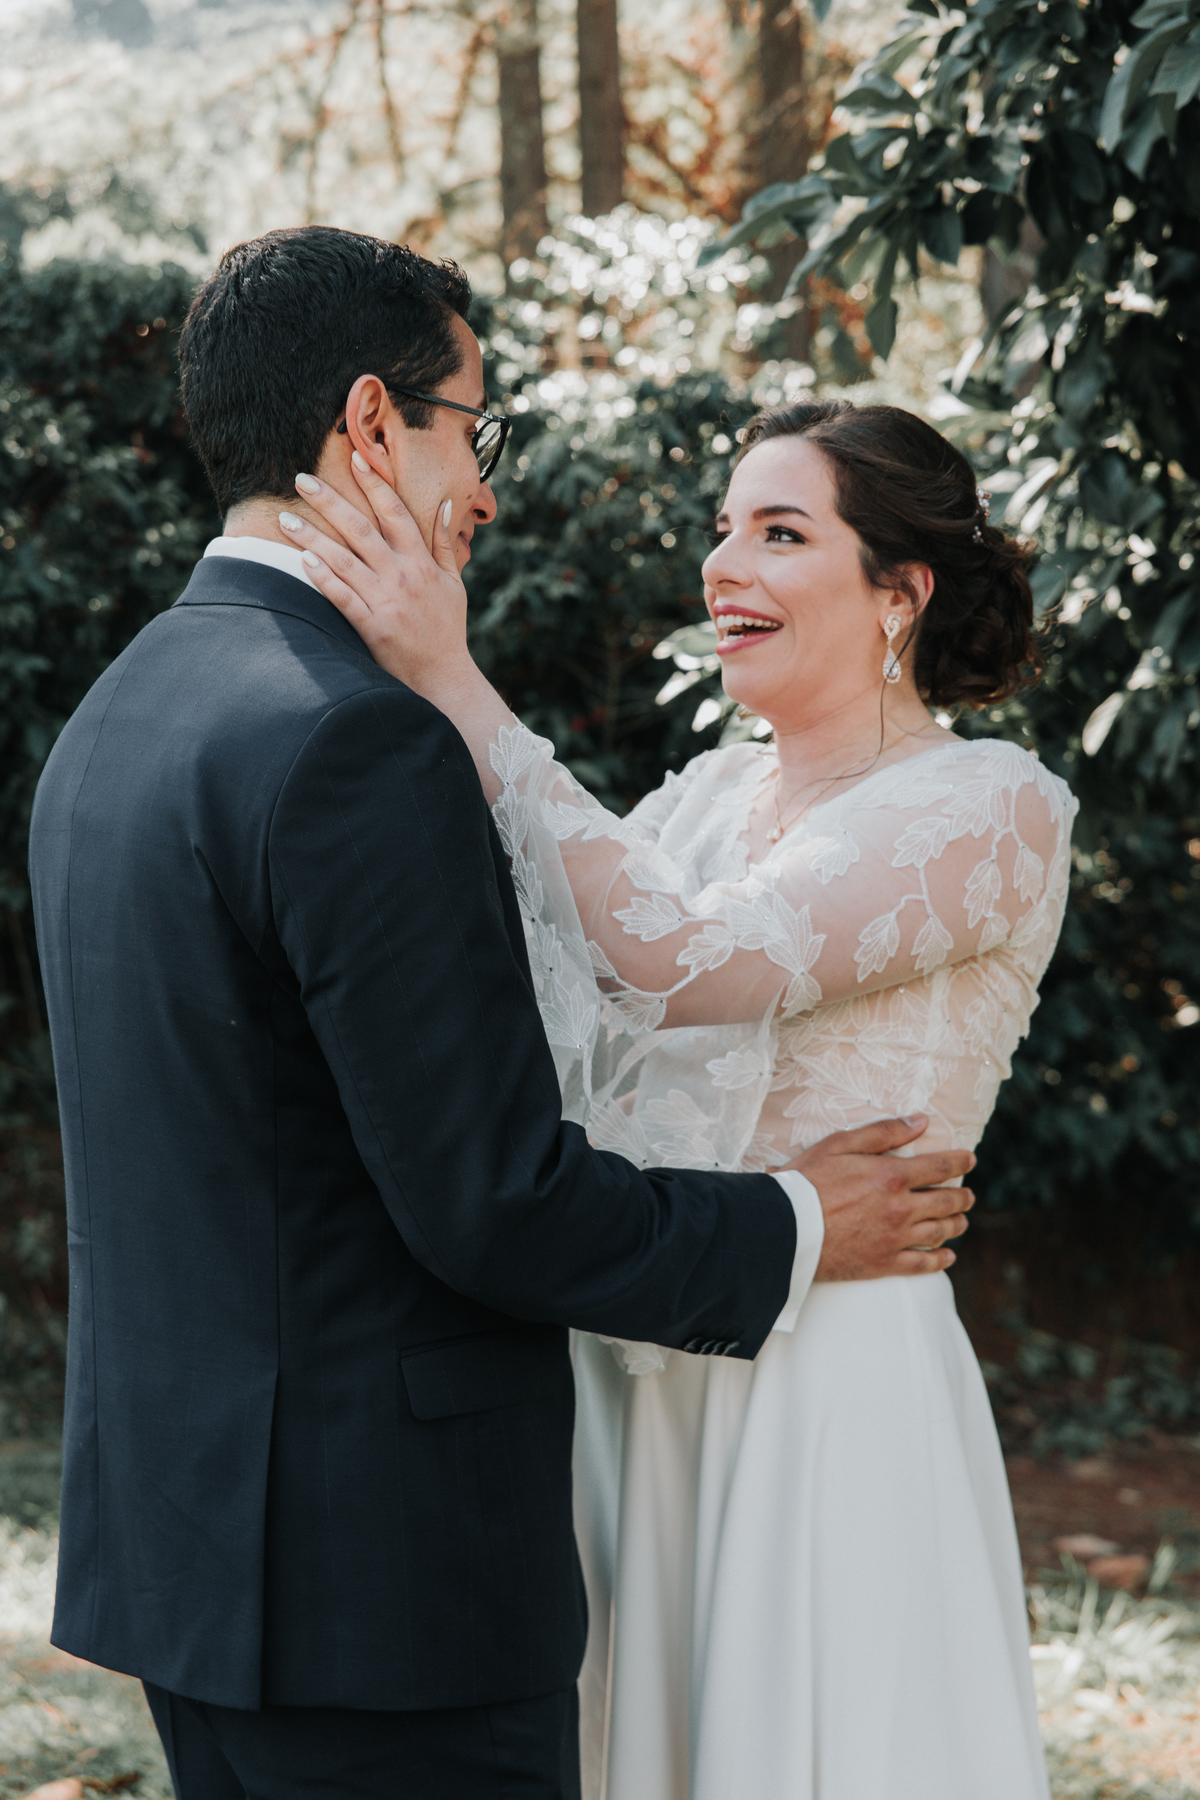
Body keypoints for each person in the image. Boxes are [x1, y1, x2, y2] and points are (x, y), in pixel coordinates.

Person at [27, 228, 974, 1800]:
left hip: (197, 1566)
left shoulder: (118, 716)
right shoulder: (356, 745)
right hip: (386, 1594)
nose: (484, 489)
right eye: (477, 429)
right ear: (373, 423)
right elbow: (490, 1206)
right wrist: (805, 1226)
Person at [289, 393, 1076, 1799]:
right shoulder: (701, 800)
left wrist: (456, 685)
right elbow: (549, 983)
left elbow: (686, 961)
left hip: (827, 1387)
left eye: (782, 532)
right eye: (723, 531)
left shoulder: (987, 806)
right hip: (644, 1366)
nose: (725, 566)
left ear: (901, 591)